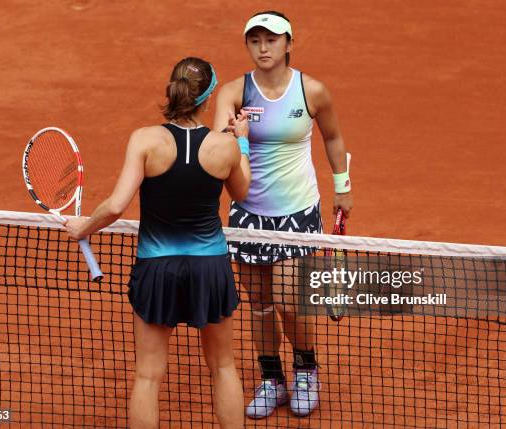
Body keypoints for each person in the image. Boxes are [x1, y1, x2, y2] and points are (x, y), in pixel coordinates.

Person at [64, 57, 251, 429]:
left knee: (148, 376)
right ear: (208, 99)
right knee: (224, 366)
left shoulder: (145, 140)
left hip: (157, 267)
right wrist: (242, 141)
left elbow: (117, 205)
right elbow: (242, 193)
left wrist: (84, 227)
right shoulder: (224, 147)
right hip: (209, 268)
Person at [214, 11, 353, 419]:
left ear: (289, 44)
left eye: (271, 40)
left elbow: (333, 136)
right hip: (249, 215)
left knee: (289, 302)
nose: (263, 48)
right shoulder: (234, 93)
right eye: (255, 41)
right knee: (258, 304)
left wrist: (342, 187)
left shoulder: (311, 91)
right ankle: (271, 379)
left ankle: (306, 370)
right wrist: (234, 138)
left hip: (297, 214)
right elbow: (221, 148)